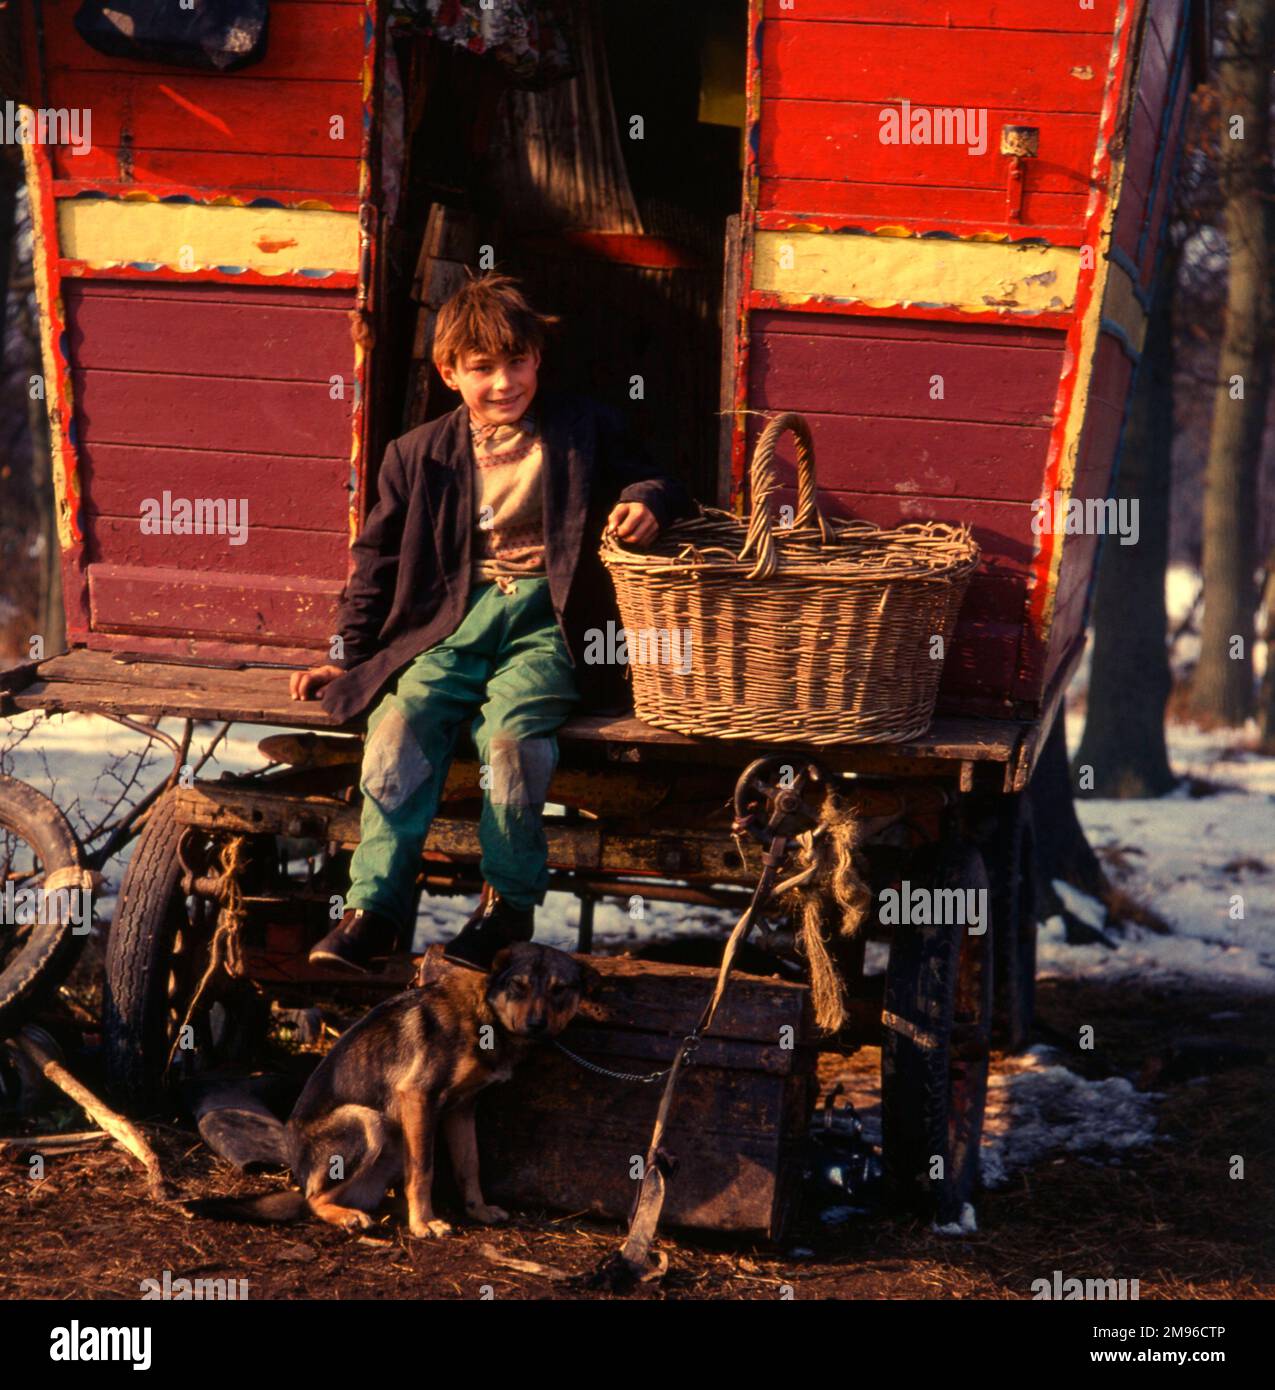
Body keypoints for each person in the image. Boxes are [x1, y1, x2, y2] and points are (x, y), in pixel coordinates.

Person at [290, 272, 694, 971]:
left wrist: (646, 501)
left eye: (517, 363)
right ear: (450, 373)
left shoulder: (581, 430)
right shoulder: (414, 455)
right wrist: (349, 655)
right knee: (398, 724)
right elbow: (376, 560)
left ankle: (506, 908)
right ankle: (373, 913)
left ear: (539, 359)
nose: (503, 383)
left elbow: (658, 478)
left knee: (510, 739)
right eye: (482, 369)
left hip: (549, 621)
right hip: (450, 623)